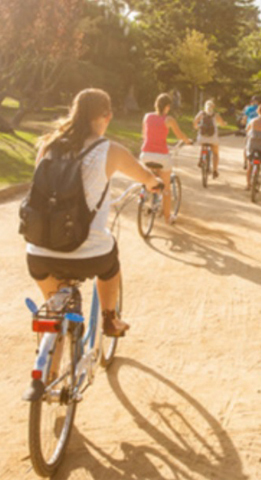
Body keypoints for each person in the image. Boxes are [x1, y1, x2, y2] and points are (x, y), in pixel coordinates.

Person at [27, 88, 163, 337]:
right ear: (106, 116)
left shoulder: (48, 145)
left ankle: (49, 371)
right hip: (88, 254)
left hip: (39, 251)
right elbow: (145, 177)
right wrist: (154, 183)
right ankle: (110, 319)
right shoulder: (109, 150)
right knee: (111, 261)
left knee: (56, 317)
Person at [141, 93, 192, 223]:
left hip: (146, 154)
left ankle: (146, 198)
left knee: (151, 178)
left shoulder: (147, 116)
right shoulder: (169, 120)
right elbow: (180, 135)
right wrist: (187, 141)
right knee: (167, 188)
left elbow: (144, 135)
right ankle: (168, 218)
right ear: (168, 107)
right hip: (162, 156)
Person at [193, 100, 227, 179]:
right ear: (213, 107)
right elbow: (222, 124)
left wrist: (196, 126)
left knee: (203, 143)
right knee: (215, 153)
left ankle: (201, 158)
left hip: (202, 137)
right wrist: (224, 124)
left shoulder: (201, 113)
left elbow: (195, 121)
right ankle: (215, 170)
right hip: (213, 138)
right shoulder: (216, 115)